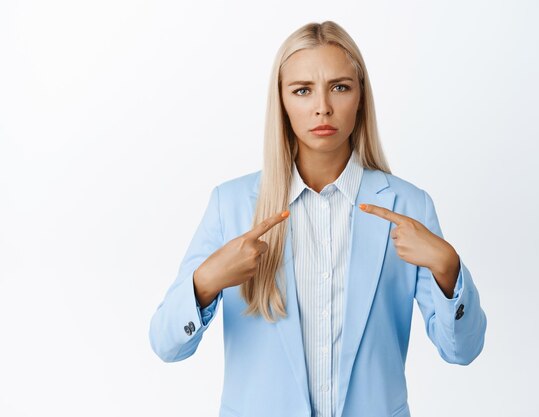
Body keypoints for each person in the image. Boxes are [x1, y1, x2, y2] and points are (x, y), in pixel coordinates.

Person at [149, 20, 487, 417]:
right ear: (282, 101)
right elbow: (166, 344)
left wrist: (448, 267)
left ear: (360, 97)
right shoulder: (232, 205)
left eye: (340, 87)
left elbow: (461, 350)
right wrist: (205, 282)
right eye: (303, 90)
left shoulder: (409, 206)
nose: (322, 106)